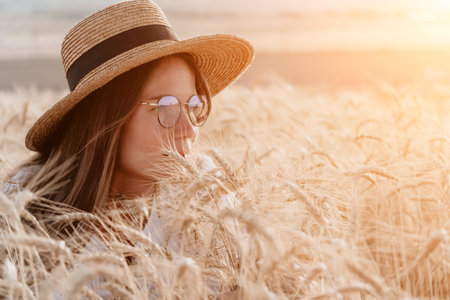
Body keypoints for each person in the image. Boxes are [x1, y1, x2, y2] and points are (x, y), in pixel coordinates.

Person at [2, 0, 253, 297]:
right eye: (166, 106)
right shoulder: (24, 208)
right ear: (108, 119)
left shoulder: (207, 195)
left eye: (194, 105)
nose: (190, 129)